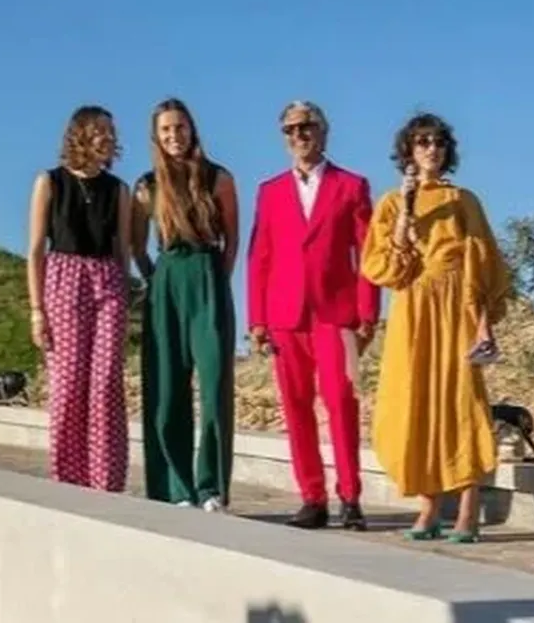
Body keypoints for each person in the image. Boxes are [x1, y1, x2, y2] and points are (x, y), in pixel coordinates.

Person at [360, 113, 511, 543]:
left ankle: (468, 506)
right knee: (416, 401)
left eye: (438, 142)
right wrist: (406, 217)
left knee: (461, 402)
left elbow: (484, 263)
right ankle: (428, 506)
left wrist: (483, 320)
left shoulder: (464, 200)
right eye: (422, 141)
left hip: (456, 304)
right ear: (408, 150)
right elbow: (382, 265)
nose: (431, 149)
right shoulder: (392, 203)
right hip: (412, 306)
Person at [246, 100, 379, 530]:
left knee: (341, 402)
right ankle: (312, 497)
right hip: (286, 315)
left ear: (323, 131)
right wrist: (257, 320)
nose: (299, 135)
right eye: (290, 129)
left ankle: (350, 496)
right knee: (296, 405)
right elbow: (260, 256)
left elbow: (369, 253)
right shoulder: (270, 191)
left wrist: (367, 312)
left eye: (307, 127)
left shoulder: (351, 186)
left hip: (335, 313)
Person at [130, 97, 239, 512]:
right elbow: (137, 244)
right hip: (167, 278)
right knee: (165, 387)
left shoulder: (219, 178)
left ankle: (211, 486)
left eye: (180, 127)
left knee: (213, 385)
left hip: (208, 273)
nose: (174, 136)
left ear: (192, 129)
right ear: (156, 137)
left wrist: (216, 280)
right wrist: (154, 278)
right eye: (165, 130)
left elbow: (232, 238)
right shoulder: (146, 185)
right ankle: (175, 487)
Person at [25, 105, 131, 492]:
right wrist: (37, 311)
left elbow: (122, 249)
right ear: (79, 135)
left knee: (104, 382)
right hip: (64, 279)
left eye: (111, 131)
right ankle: (68, 479)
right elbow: (36, 249)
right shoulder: (50, 182)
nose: (107, 138)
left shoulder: (118, 190)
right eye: (99, 131)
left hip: (106, 278)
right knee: (69, 382)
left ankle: (106, 480)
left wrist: (124, 291)